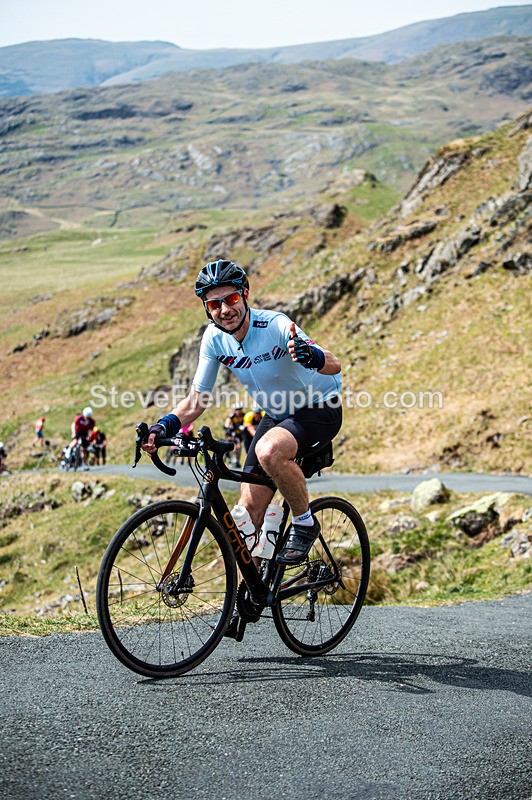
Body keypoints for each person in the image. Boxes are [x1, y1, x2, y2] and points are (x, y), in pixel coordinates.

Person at [142, 259, 342, 567]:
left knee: (269, 451)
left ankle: (305, 522)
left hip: (319, 407)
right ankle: (252, 596)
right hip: (277, 416)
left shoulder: (274, 324)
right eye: (214, 304)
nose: (225, 310)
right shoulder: (214, 339)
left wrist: (311, 355)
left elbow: (334, 363)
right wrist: (163, 426)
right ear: (207, 309)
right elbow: (197, 400)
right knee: (244, 519)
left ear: (245, 294)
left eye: (232, 299)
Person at [70, 407, 96, 471]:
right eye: (86, 416)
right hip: (77, 431)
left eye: (88, 417)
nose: (86, 418)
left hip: (84, 433)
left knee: (84, 449)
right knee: (75, 441)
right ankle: (68, 451)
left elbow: (91, 430)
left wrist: (89, 436)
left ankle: (84, 464)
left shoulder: (92, 421)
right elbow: (73, 425)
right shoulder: (79, 418)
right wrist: (73, 432)